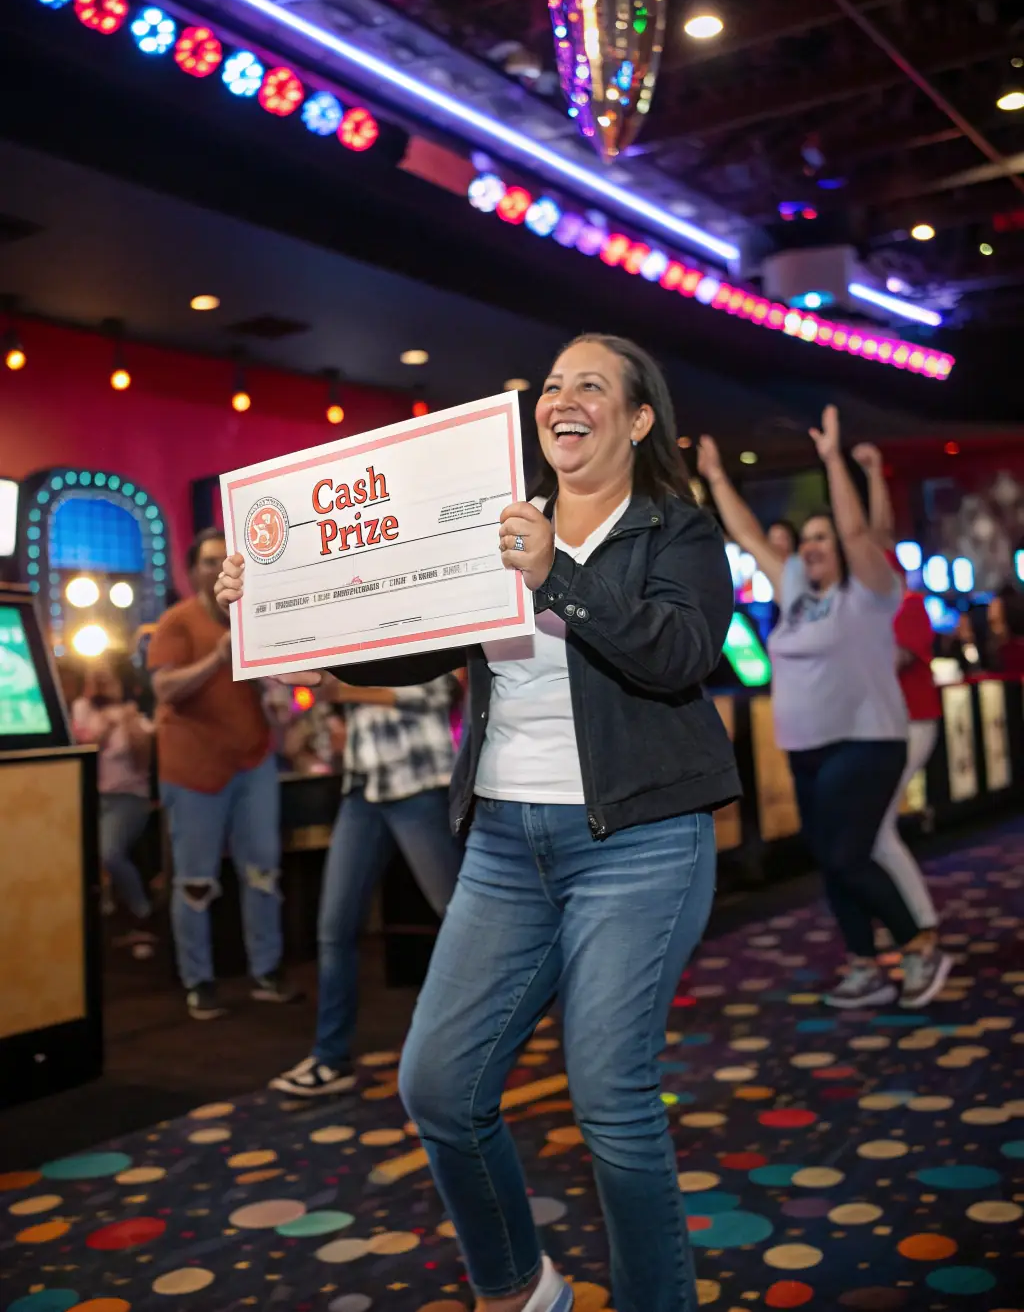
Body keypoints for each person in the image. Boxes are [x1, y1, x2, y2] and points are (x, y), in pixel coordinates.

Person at [216, 333, 740, 1312]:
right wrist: (281, 613)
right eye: (553, 385)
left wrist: (557, 575)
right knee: (438, 1087)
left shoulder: (676, 530)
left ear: (637, 420)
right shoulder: (500, 517)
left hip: (639, 843)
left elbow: (679, 654)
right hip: (503, 841)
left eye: (592, 386)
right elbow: (414, 642)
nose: (563, 399)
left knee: (611, 1099)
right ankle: (518, 1288)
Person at [697, 409, 951, 1011]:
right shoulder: (796, 594)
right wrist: (714, 477)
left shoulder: (869, 593)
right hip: (806, 748)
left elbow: (860, 533)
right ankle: (864, 964)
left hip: (864, 743)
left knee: (847, 855)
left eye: (821, 537)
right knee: (831, 864)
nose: (810, 546)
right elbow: (749, 536)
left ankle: (918, 944)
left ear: (842, 548)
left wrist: (834, 460)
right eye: (806, 538)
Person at [269, 673, 464, 1098]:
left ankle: (489, 1038)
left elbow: (435, 693)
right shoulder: (350, 648)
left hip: (416, 785)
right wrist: (322, 722)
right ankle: (330, 1057)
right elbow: (329, 727)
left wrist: (343, 692)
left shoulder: (409, 632)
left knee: (462, 922)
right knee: (334, 928)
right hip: (362, 789)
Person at [148, 528, 300, 1020]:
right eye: (208, 561)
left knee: (263, 875)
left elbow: (279, 692)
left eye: (224, 561)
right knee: (196, 882)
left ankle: (266, 971)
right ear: (193, 571)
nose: (217, 569)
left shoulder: (253, 618)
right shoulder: (177, 622)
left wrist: (280, 702)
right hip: (193, 771)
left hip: (253, 763)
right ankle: (198, 980)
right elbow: (164, 690)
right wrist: (217, 657)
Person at [853, 443, 943, 941]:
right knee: (874, 828)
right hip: (888, 726)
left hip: (915, 722)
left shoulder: (907, 605)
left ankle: (918, 921)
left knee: (877, 826)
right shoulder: (870, 607)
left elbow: (878, 530)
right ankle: (907, 920)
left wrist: (873, 474)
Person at [71, 654, 156, 935]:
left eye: (107, 676)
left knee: (110, 853)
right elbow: (83, 748)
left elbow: (143, 761)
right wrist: (105, 727)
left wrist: (128, 723)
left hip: (128, 798)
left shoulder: (135, 716)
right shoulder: (83, 708)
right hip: (91, 797)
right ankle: (104, 914)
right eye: (96, 676)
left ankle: (142, 910)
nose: (101, 681)